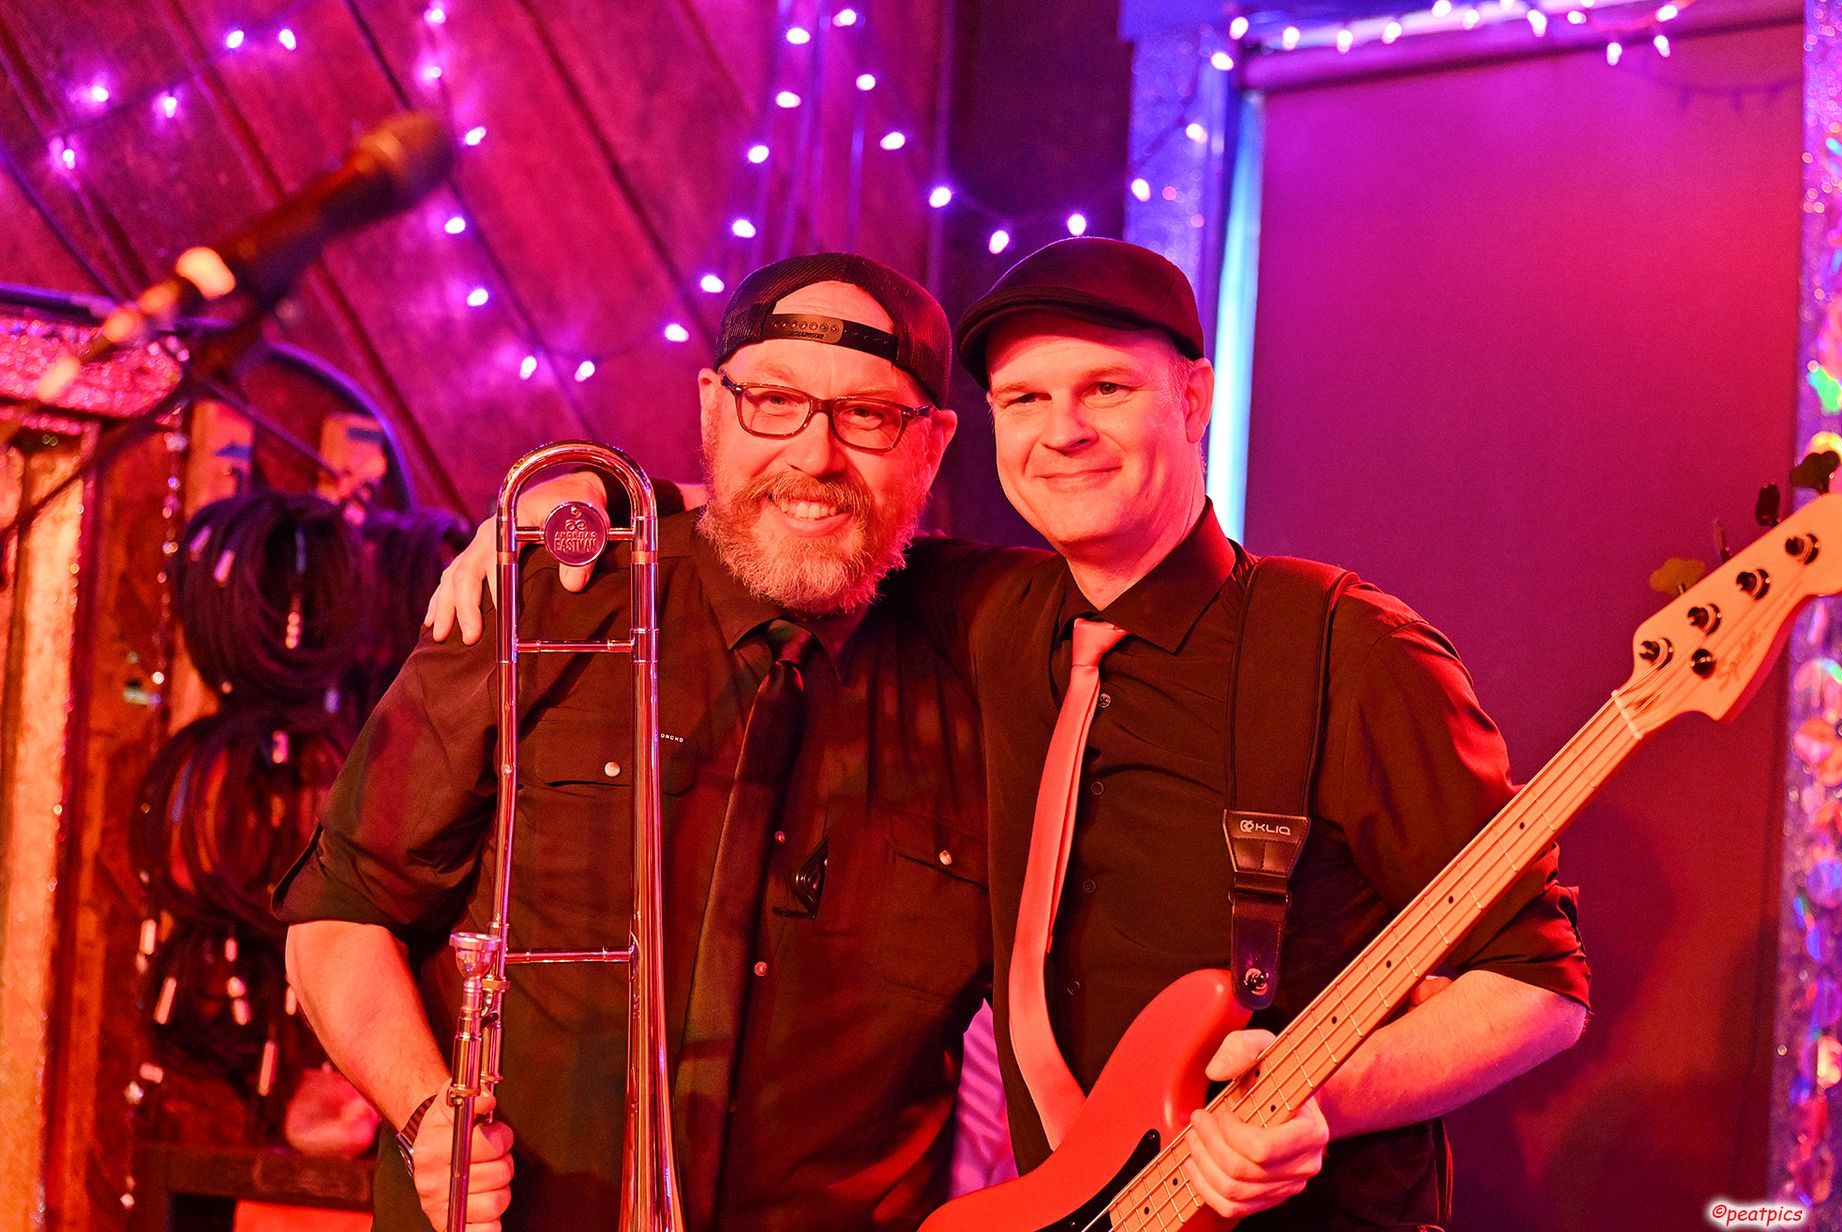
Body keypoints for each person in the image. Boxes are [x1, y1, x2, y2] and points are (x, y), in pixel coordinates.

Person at [427, 240, 1591, 1229]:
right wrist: (591, 510)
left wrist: (1329, 1095)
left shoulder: (1346, 646)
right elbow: (807, 504)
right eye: (1025, 402)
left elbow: (1539, 986)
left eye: (1108, 390)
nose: (1063, 432)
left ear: (1193, 399)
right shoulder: (987, 609)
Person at [277, 253, 996, 1232]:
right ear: (712, 405)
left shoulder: (992, 662)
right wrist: (424, 1111)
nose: (815, 454)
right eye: (773, 400)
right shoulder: (545, 596)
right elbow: (340, 907)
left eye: (867, 414)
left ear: (935, 442)